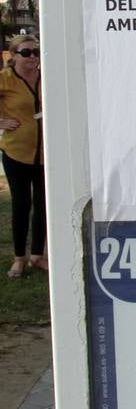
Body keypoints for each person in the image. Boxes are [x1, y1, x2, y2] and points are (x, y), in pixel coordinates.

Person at [0, 36, 46, 279]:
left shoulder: (47, 76)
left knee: (42, 205)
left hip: (45, 156)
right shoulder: (5, 79)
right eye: (26, 52)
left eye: (36, 51)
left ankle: (37, 255)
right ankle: (19, 258)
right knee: (21, 205)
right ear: (14, 55)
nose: (33, 57)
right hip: (16, 152)